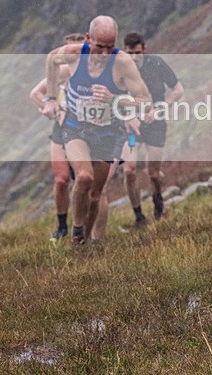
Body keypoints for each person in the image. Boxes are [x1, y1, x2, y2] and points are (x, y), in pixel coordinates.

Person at [42, 16, 151, 245]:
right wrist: (51, 98)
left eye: (109, 47)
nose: (104, 53)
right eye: (99, 46)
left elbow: (144, 100)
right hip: (75, 126)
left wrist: (115, 99)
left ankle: (83, 244)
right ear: (88, 38)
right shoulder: (74, 53)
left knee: (95, 195)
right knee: (83, 176)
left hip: (106, 132)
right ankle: (77, 229)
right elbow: (52, 58)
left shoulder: (122, 62)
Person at [30, 32, 112, 242]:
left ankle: (92, 235)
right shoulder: (62, 70)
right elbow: (35, 93)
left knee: (90, 186)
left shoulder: (95, 69)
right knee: (61, 179)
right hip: (64, 128)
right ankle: (62, 227)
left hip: (92, 130)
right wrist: (52, 107)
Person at [120, 32, 184, 224]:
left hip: (155, 124)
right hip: (132, 128)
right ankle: (139, 216)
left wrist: (161, 107)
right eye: (130, 53)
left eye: (137, 53)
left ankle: (158, 199)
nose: (133, 57)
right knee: (129, 170)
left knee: (153, 173)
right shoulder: (119, 67)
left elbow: (178, 89)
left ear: (144, 50)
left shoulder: (156, 64)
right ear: (125, 50)